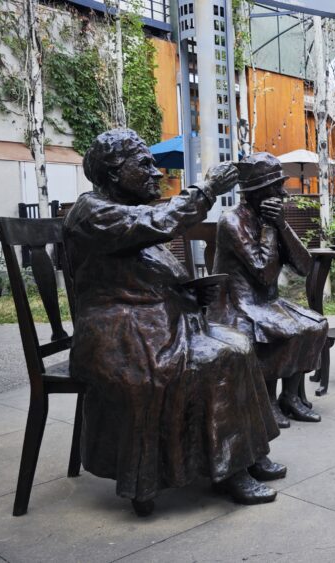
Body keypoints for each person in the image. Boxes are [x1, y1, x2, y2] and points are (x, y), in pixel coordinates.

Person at [64, 129, 284, 516]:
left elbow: (143, 267)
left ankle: (246, 453)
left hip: (149, 318)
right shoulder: (93, 212)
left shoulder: (122, 208)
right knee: (221, 357)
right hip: (116, 331)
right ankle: (229, 468)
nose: (156, 173)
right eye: (144, 164)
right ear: (115, 172)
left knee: (238, 342)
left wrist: (187, 293)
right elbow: (162, 221)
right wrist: (206, 190)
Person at [208, 152, 328, 427]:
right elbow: (263, 273)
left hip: (266, 302)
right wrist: (271, 230)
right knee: (283, 331)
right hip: (237, 305)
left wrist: (282, 226)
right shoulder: (232, 221)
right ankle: (266, 401)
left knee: (315, 325)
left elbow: (305, 267)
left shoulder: (272, 219)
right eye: (275, 187)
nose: (282, 193)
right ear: (257, 191)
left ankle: (290, 397)